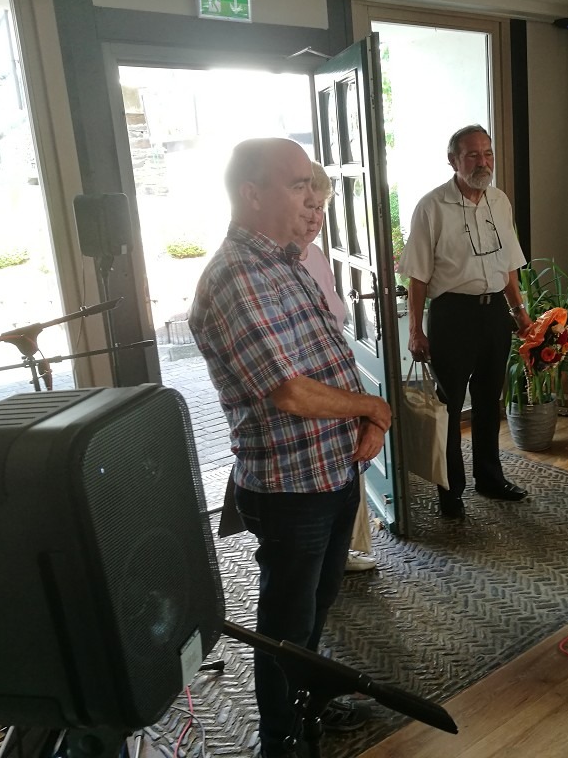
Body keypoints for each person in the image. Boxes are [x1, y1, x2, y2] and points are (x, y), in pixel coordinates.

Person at [189, 138, 391, 757]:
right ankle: (281, 738)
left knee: (317, 605)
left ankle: (308, 702)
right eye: (297, 184)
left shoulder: (284, 261)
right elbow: (290, 391)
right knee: (285, 622)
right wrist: (372, 408)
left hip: (331, 470)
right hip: (290, 486)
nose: (311, 197)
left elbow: (324, 361)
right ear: (252, 194)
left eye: (311, 184)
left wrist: (367, 421)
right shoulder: (235, 277)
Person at [397, 124, 532, 519]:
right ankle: (450, 490)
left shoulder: (500, 201)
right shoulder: (431, 206)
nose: (482, 162)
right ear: (453, 160)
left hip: (494, 314)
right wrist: (415, 330)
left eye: (487, 153)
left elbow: (509, 266)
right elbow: (417, 276)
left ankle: (490, 479)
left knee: (489, 401)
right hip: (452, 315)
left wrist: (519, 312)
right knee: (450, 406)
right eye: (472, 155)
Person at [303, 161, 377, 572]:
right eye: (306, 206)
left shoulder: (315, 255)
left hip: (336, 396)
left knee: (346, 486)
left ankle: (342, 551)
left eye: (320, 208)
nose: (314, 217)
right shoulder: (270, 269)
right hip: (308, 405)